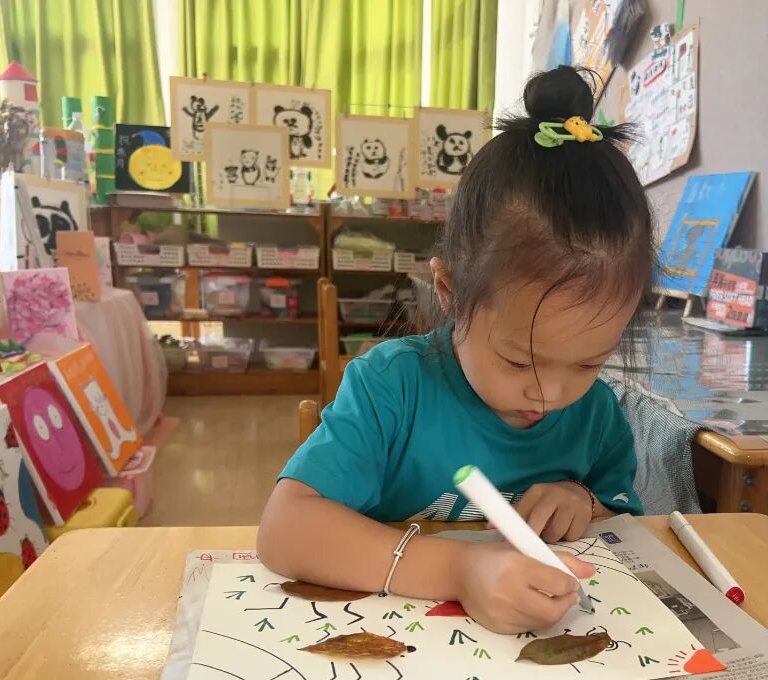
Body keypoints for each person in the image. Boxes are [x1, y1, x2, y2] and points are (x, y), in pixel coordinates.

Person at [258, 66, 656, 634]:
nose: (550, 394)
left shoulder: (595, 415)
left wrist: (583, 498)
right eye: (518, 360)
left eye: (589, 362)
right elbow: (285, 530)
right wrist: (461, 569)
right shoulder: (391, 388)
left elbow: (621, 515)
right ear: (448, 290)